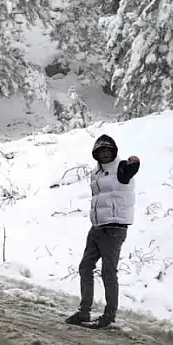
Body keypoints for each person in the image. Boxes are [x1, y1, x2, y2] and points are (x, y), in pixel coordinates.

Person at [66, 134, 141, 329]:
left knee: (108, 272)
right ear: (96, 154)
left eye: (108, 151)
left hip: (115, 227)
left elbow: (128, 173)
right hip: (97, 226)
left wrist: (135, 164)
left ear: (114, 151)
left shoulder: (122, 167)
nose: (105, 154)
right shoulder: (96, 173)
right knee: (85, 267)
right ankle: (84, 312)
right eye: (101, 151)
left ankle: (109, 315)